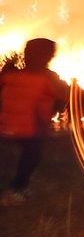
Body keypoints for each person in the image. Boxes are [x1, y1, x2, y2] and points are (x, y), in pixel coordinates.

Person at [0, 38, 67, 206]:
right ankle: (17, 189)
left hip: (6, 126)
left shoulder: (10, 74)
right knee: (33, 154)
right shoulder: (48, 78)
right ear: (47, 57)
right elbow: (64, 95)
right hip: (31, 130)